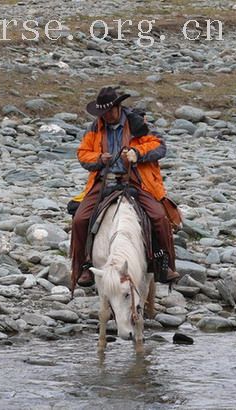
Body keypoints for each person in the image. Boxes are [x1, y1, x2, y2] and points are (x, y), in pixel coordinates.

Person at [70, 86, 180, 288]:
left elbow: (159, 146)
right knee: (79, 220)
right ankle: (85, 264)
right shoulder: (95, 127)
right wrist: (99, 159)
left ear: (118, 107)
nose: (107, 116)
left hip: (137, 180)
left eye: (110, 111)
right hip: (105, 180)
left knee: (158, 216)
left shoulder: (137, 124)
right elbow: (82, 153)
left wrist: (137, 153)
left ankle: (163, 263)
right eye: (103, 113)